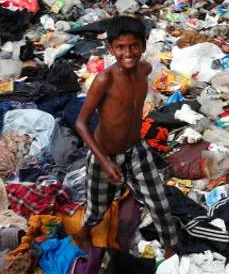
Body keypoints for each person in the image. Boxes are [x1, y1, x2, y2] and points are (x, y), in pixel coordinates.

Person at [73, 16, 179, 258]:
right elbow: (81, 123)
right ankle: (83, 235)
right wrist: (104, 161)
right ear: (111, 49)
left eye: (134, 46)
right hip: (105, 153)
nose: (128, 53)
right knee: (97, 207)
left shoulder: (144, 69)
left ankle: (172, 252)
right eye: (120, 48)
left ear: (144, 44)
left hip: (136, 149)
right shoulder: (104, 80)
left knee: (159, 203)